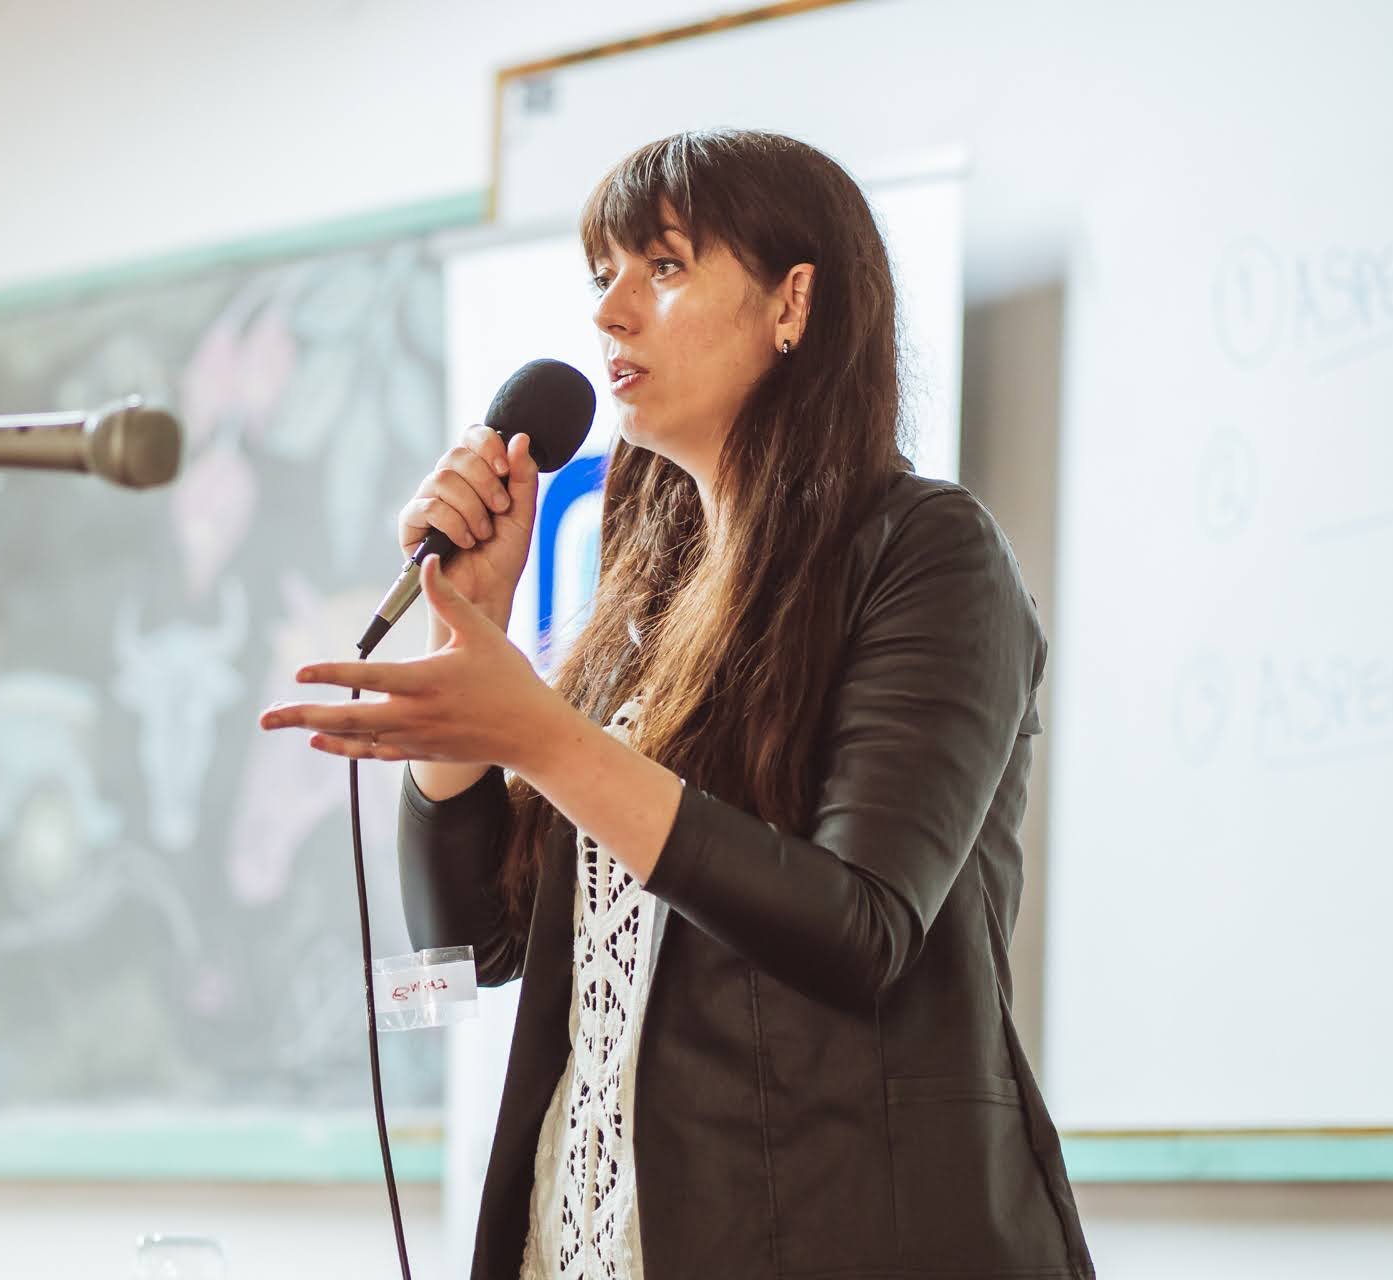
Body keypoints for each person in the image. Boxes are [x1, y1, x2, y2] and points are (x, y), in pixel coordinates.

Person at [257, 129, 1094, 1280]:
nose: (610, 314)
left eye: (662, 266)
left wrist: (539, 735)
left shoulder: (924, 551)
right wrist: (477, 638)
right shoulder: (640, 613)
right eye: (601, 275)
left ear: (793, 301)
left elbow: (860, 929)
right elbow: (470, 948)